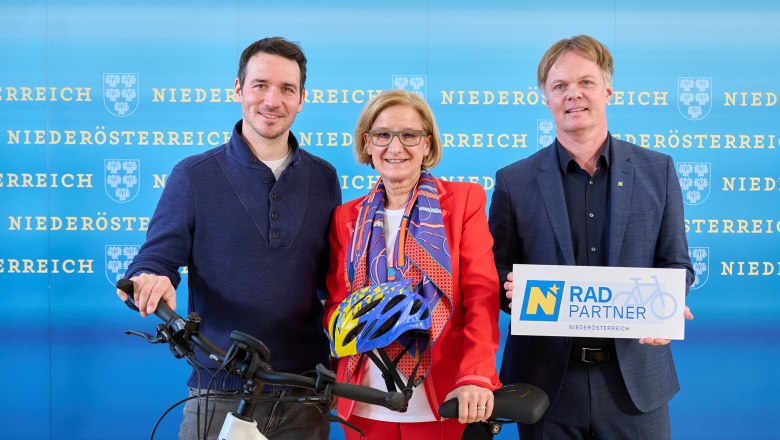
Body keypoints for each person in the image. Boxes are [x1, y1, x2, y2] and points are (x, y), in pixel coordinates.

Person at [115, 37, 340, 440]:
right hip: (219, 392)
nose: (272, 100)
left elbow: (333, 280)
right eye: (260, 85)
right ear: (238, 89)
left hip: (305, 396)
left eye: (287, 89)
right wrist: (148, 279)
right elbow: (155, 261)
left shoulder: (324, 178)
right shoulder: (193, 175)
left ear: (302, 99)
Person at [489, 35, 695, 439]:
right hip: (546, 385)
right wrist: (509, 290)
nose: (574, 94)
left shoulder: (658, 171)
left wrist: (667, 306)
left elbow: (677, 263)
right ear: (546, 98)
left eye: (585, 82)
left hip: (636, 383)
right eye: (560, 86)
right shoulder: (514, 181)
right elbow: (494, 271)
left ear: (608, 90)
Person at [324, 89, 502, 439]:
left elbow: (481, 296)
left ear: (427, 143)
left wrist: (476, 376)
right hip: (365, 399)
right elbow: (335, 304)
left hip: (443, 398)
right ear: (368, 143)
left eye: (409, 135)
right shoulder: (346, 217)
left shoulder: (464, 201)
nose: (395, 147)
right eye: (383, 135)